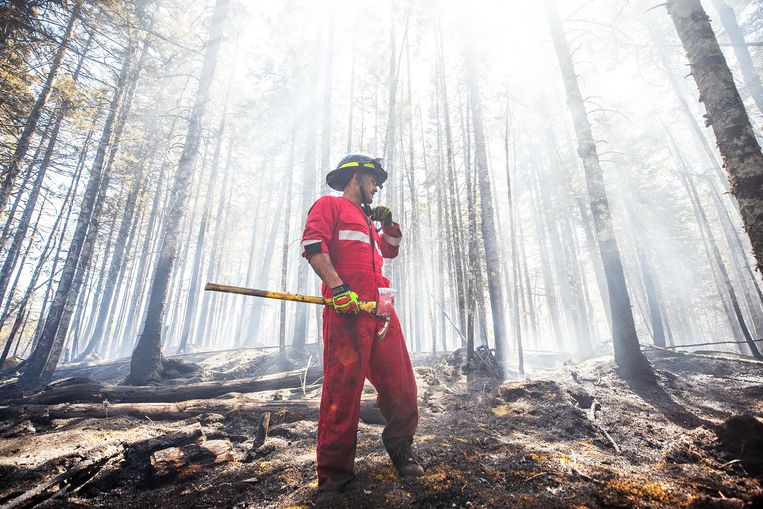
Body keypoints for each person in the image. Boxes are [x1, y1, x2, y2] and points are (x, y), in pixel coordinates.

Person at [301, 154, 423, 493]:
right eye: (373, 181)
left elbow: (391, 251)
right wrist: (338, 288)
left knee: (403, 385)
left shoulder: (369, 221)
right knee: (343, 393)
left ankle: (400, 448)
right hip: (347, 312)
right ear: (356, 177)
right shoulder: (330, 206)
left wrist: (387, 225)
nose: (378, 187)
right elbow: (313, 245)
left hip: (381, 311)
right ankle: (335, 477)